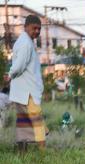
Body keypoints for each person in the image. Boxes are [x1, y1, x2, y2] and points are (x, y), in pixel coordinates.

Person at [5, 15, 46, 151]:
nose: (37, 31)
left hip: (23, 92)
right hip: (28, 92)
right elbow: (19, 66)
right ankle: (43, 153)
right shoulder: (25, 43)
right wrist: (10, 75)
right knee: (37, 122)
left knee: (23, 122)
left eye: (39, 29)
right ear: (26, 27)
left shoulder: (25, 41)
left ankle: (22, 154)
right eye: (34, 28)